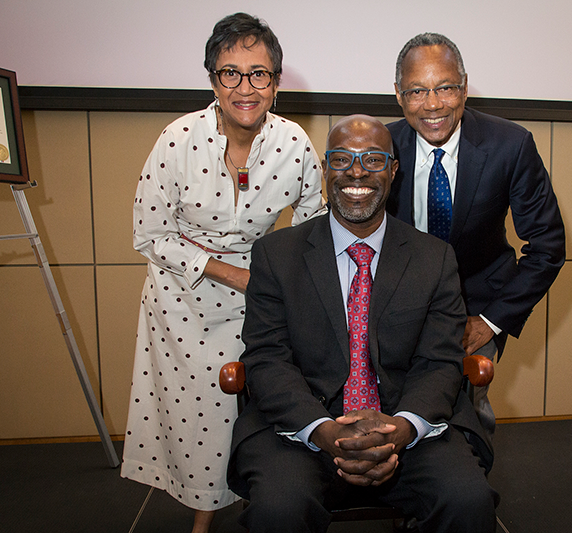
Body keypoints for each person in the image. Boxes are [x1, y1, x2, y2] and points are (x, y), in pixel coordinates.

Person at [227, 115, 497, 533]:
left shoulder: (434, 258)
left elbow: (439, 362)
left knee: (467, 500)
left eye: (373, 159)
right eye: (342, 159)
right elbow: (267, 359)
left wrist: (401, 428)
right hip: (304, 429)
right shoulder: (275, 255)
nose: (356, 171)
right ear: (324, 169)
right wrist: (323, 430)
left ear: (392, 170)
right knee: (278, 509)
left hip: (407, 425)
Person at [120, 13, 325, 533]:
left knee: (250, 410)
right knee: (197, 422)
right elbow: (149, 234)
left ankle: (263, 502)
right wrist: (232, 274)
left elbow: (314, 225)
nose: (245, 87)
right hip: (181, 301)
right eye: (230, 73)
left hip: (258, 302)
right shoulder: (177, 138)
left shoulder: (295, 142)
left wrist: (286, 284)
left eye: (259, 74)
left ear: (276, 83)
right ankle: (203, 517)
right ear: (213, 78)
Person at [386, 33, 566, 436]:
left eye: (446, 88)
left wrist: (491, 320)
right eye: (417, 91)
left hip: (476, 307)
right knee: (397, 411)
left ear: (465, 88)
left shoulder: (511, 145)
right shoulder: (382, 147)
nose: (432, 104)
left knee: (468, 411)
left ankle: (473, 489)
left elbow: (547, 248)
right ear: (398, 94)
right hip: (395, 307)